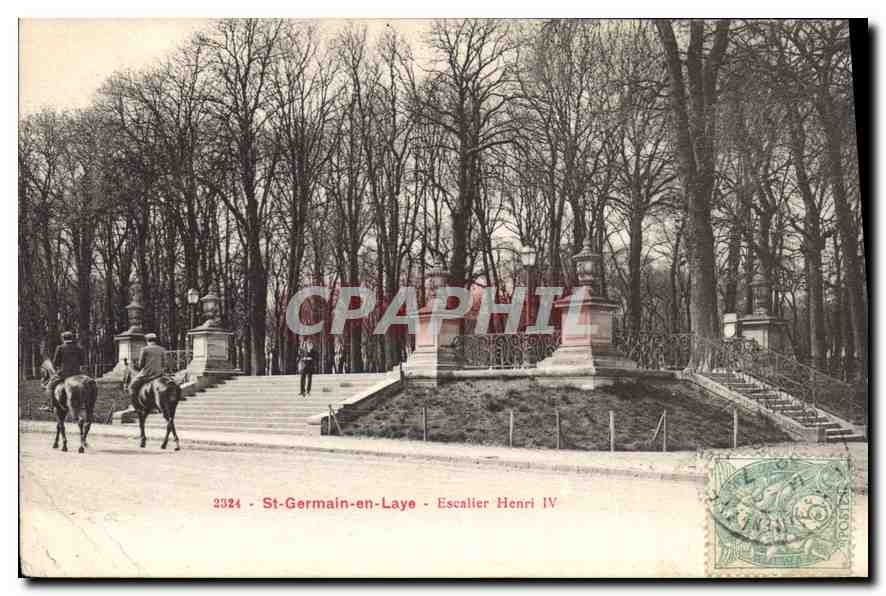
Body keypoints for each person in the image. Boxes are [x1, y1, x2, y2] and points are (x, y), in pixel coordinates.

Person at [46, 331, 84, 403]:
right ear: (72, 338)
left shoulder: (60, 348)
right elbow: (82, 362)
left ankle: (51, 404)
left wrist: (57, 368)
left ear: (63, 338)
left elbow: (55, 362)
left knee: (50, 386)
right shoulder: (79, 348)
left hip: (64, 373)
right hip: (77, 373)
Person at [128, 333, 166, 399]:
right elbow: (164, 363)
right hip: (159, 374)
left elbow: (141, 365)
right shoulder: (162, 349)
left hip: (147, 374)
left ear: (147, 340)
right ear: (155, 340)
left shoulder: (145, 349)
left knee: (132, 386)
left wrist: (137, 366)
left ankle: (136, 405)